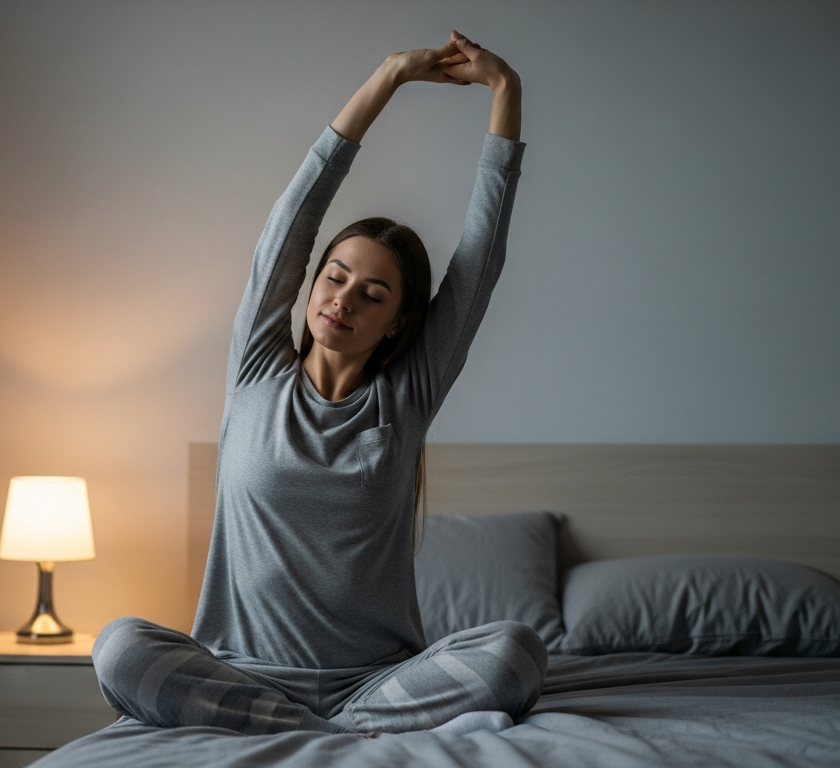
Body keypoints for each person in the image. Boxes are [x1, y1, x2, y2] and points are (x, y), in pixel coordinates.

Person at [92, 30, 543, 737]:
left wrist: (506, 92)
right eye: (335, 278)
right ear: (310, 286)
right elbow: (293, 221)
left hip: (377, 678)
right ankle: (333, 728)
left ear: (397, 323)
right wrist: (388, 78)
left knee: (515, 654)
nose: (343, 299)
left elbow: (479, 259)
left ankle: (307, 723)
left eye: (373, 294)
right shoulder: (255, 372)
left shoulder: (406, 397)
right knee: (118, 648)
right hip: (237, 668)